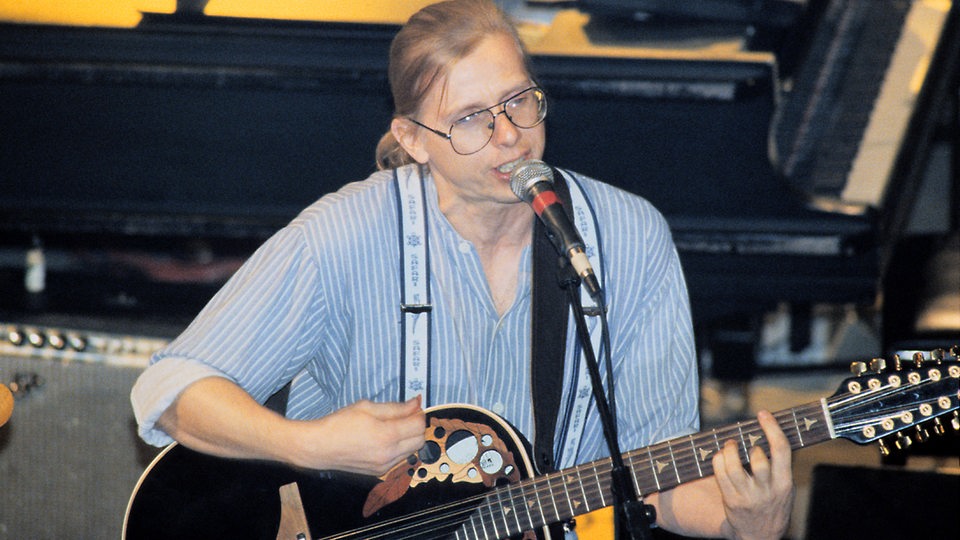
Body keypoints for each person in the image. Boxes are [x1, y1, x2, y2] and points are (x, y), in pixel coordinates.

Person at [131, 0, 794, 537]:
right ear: (415, 139)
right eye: (471, 119)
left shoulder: (630, 239)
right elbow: (168, 391)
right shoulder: (345, 234)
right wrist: (308, 446)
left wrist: (748, 520)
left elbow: (655, 483)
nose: (509, 135)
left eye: (520, 101)